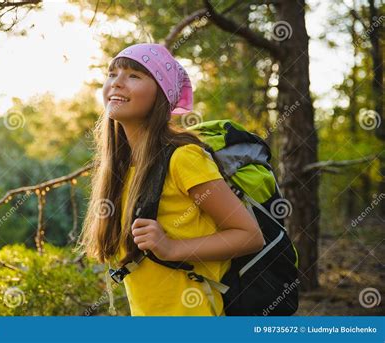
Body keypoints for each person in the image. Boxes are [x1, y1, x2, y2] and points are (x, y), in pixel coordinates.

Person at [76, 43, 264, 316]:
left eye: (134, 76)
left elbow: (249, 236)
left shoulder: (183, 158)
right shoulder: (120, 167)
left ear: (161, 95)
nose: (117, 83)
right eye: (112, 74)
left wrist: (171, 247)